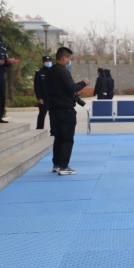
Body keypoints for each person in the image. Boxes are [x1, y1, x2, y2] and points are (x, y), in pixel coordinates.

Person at [46, 47, 90, 175]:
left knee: (58, 137)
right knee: (67, 139)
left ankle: (57, 164)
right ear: (64, 58)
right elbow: (71, 87)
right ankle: (64, 167)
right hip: (65, 109)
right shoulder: (63, 72)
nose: (69, 61)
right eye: (69, 59)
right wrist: (83, 83)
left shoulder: (50, 71)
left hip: (54, 109)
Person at [34, 55, 52, 130]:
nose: (48, 63)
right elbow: (37, 86)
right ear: (43, 62)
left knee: (53, 115)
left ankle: (53, 131)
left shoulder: (53, 71)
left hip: (52, 97)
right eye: (46, 61)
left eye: (49, 61)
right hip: (43, 98)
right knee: (42, 114)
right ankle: (39, 129)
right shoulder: (39, 72)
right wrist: (39, 97)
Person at [0, 47, 13, 123]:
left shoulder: (3, 50)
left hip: (1, 77)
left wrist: (8, 62)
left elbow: (7, 65)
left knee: (1, 97)